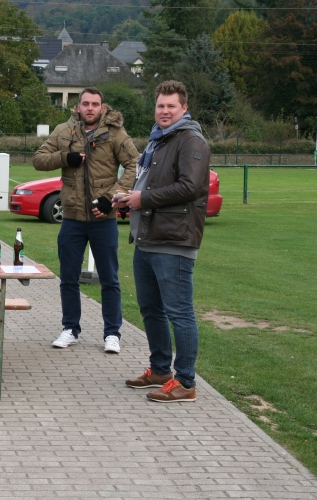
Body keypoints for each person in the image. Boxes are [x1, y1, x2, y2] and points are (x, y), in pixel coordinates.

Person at [117, 80, 210, 403]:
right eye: (160, 105)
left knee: (179, 312)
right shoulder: (159, 141)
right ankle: (160, 370)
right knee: (151, 310)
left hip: (174, 241)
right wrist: (129, 199)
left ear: (184, 108)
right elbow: (148, 185)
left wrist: (144, 199)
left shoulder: (190, 140)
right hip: (148, 239)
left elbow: (190, 187)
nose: (165, 111)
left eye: (171, 106)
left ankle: (185, 382)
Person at [32, 87, 138, 353]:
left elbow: (135, 165)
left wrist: (112, 197)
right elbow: (38, 159)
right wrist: (63, 158)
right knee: (68, 277)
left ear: (103, 108)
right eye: (85, 104)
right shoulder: (63, 131)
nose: (90, 108)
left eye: (95, 104)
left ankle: (112, 333)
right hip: (72, 218)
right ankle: (70, 329)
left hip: (104, 219)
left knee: (110, 279)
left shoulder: (115, 133)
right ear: (77, 107)